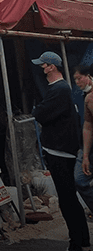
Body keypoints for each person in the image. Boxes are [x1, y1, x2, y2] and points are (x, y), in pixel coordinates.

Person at [32, 52, 90, 251]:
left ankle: (77, 242)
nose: (41, 69)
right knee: (69, 198)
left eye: (44, 65)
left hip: (60, 151)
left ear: (52, 67)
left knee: (67, 199)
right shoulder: (59, 89)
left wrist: (37, 110)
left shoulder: (59, 89)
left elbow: (40, 113)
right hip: (61, 150)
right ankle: (82, 239)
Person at [73, 65, 93, 213]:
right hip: (89, 147)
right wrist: (85, 155)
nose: (77, 82)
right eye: (75, 79)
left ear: (88, 76)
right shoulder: (86, 97)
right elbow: (88, 125)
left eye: (79, 78)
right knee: (80, 179)